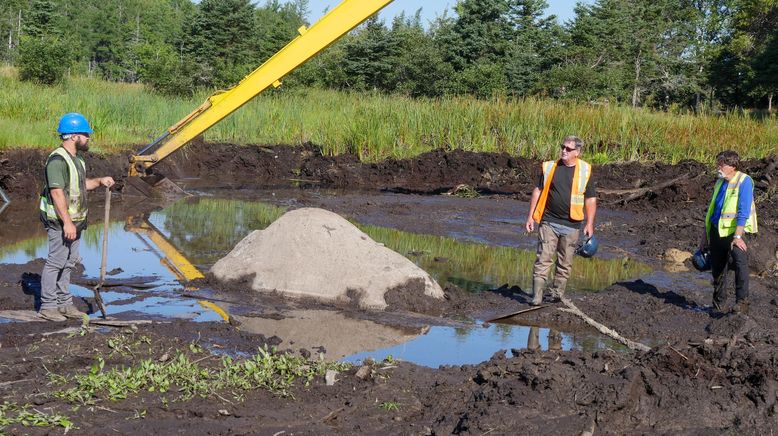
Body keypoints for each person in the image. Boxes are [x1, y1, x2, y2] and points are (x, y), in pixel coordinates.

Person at [38, 113, 115, 321]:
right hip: (60, 222)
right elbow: (57, 192)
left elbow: (80, 186)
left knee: (69, 262)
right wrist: (67, 223)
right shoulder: (57, 160)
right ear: (73, 136)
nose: (88, 138)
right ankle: (47, 306)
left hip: (75, 222)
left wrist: (99, 181)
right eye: (85, 134)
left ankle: (64, 304)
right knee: (56, 262)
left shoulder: (78, 159)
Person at [525, 136, 596, 306]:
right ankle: (537, 297)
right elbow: (538, 191)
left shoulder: (585, 170)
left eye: (568, 149)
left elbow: (591, 199)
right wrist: (531, 216)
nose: (564, 150)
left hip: (572, 225)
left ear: (577, 152)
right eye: (562, 147)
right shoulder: (550, 167)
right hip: (549, 221)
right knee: (543, 258)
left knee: (565, 263)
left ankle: (556, 296)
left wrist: (589, 223)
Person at [700, 150, 757, 314]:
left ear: (732, 166)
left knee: (740, 265)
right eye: (718, 163)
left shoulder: (744, 181)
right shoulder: (720, 182)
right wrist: (705, 236)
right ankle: (718, 305)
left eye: (721, 164)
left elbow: (743, 211)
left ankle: (742, 303)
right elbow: (712, 211)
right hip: (716, 231)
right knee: (717, 269)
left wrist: (738, 236)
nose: (718, 167)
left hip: (734, 233)